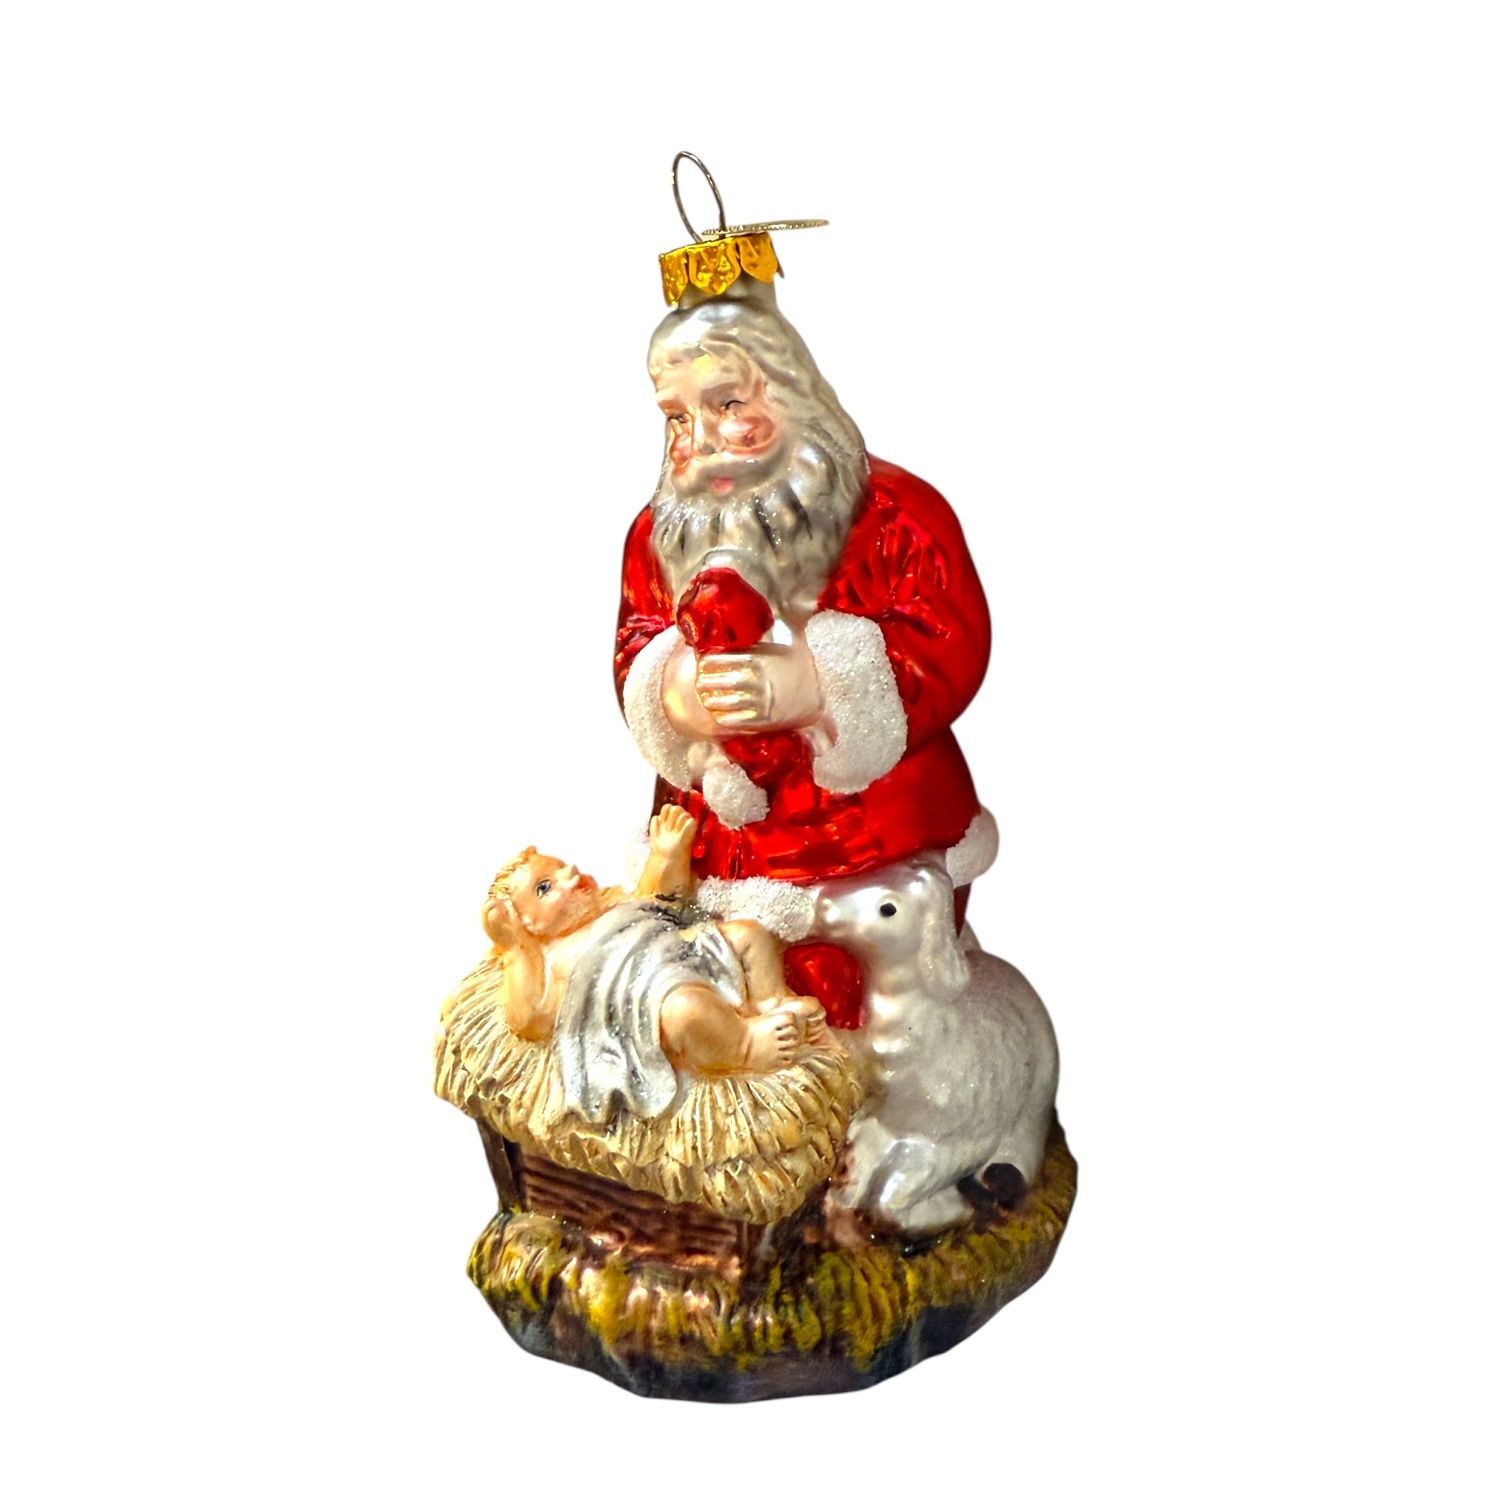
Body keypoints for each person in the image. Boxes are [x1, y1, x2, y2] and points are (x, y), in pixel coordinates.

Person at [614, 273, 997, 927]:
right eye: (677, 417)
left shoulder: (896, 514)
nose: (699, 440)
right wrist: (681, 692)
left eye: (728, 404)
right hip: (716, 841)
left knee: (887, 953)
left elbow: (950, 641)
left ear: (789, 391)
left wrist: (817, 684)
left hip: (877, 839)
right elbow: (636, 645)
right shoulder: (656, 538)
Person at [482, 804, 823, 1121]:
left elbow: (659, 898)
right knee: (687, 1012)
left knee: (749, 935)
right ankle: (746, 1045)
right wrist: (513, 947)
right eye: (544, 887)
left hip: (687, 955)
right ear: (529, 926)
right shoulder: (557, 959)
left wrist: (666, 854)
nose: (569, 873)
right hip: (655, 998)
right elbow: (531, 1018)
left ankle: (772, 1001)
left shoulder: (611, 903)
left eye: (560, 866)